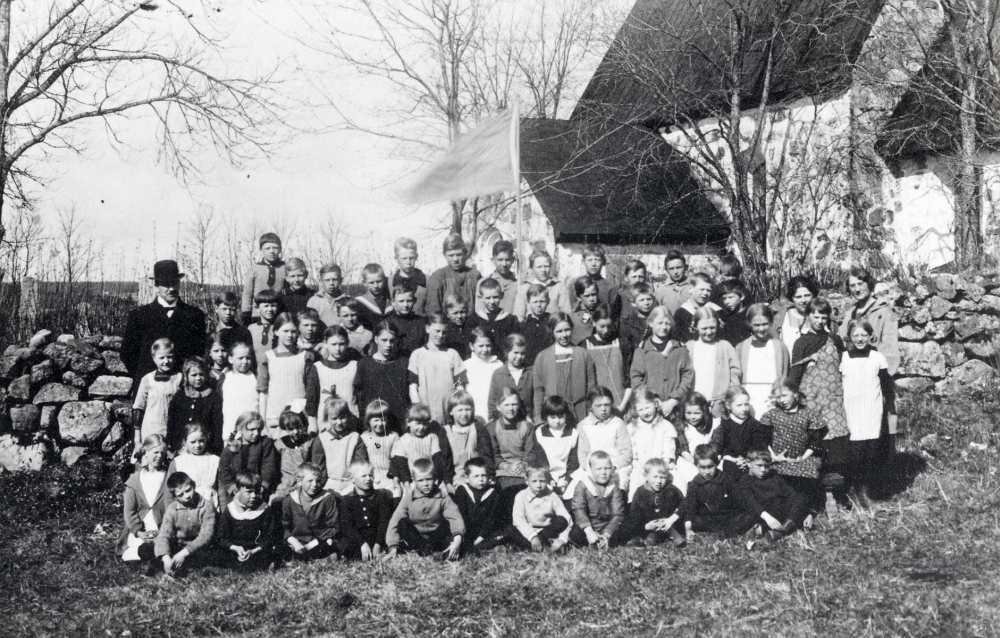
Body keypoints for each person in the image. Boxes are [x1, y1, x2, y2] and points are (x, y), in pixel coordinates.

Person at [789, 298, 851, 510]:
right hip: (812, 401)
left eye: (823, 317)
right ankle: (816, 499)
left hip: (834, 401)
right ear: (808, 316)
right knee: (815, 447)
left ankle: (836, 496)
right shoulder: (802, 343)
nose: (819, 320)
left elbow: (845, 365)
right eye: (815, 316)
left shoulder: (834, 339)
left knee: (836, 450)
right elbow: (795, 373)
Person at [122, 260, 207, 386]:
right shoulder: (139, 315)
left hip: (184, 389)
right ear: (156, 286)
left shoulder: (194, 315)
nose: (171, 289)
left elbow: (199, 353)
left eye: (174, 283)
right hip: (150, 390)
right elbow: (127, 353)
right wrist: (144, 377)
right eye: (166, 284)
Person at [840, 318, 897, 508]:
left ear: (871, 336)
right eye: (855, 335)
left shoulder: (877, 358)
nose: (860, 338)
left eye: (864, 334)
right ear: (849, 337)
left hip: (871, 411)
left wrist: (890, 407)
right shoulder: (844, 358)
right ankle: (852, 490)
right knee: (854, 454)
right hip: (851, 412)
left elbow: (886, 386)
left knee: (870, 452)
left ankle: (866, 491)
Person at [760, 378, 828, 525]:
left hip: (802, 459)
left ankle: (805, 513)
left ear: (796, 394)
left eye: (784, 395)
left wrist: (803, 457)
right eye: (778, 397)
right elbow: (763, 438)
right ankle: (786, 515)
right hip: (777, 460)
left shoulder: (809, 414)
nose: (781, 400)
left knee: (807, 477)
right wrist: (773, 456)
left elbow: (816, 440)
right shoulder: (772, 415)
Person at [384, 458, 465, 560]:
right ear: (414, 480)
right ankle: (425, 549)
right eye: (421, 480)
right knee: (402, 523)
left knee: (447, 523)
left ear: (435, 478)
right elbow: (394, 522)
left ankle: (431, 549)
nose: (425, 484)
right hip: (417, 537)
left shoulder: (443, 496)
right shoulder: (408, 498)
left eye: (429, 479)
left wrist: (457, 540)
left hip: (436, 536)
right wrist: (393, 548)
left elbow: (455, 517)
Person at [630, 306, 694, 421]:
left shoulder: (679, 349)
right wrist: (652, 399)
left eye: (667, 323)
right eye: (659, 323)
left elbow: (688, 376)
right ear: (650, 323)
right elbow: (636, 379)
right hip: (650, 409)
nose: (664, 327)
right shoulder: (642, 350)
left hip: (675, 409)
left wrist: (674, 400)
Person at [733, 449, 810, 545]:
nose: (763, 470)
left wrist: (808, 514)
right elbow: (750, 502)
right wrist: (767, 517)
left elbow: (791, 494)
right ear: (748, 463)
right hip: (762, 513)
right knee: (746, 518)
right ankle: (784, 528)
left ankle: (780, 532)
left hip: (779, 511)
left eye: (766, 466)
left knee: (801, 497)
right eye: (759, 465)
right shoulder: (745, 481)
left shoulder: (773, 476)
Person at [678, 444, 754, 539]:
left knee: (749, 516)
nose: (707, 472)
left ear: (717, 463)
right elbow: (691, 507)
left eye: (710, 467)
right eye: (702, 467)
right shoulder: (694, 484)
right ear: (696, 466)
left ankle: (727, 532)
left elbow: (740, 500)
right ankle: (726, 532)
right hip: (708, 519)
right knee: (688, 521)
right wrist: (688, 527)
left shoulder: (727, 479)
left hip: (728, 517)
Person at [532, 313, 598, 423]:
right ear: (552, 332)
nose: (564, 335)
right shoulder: (542, 357)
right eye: (559, 331)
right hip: (553, 415)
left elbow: (591, 387)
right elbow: (538, 390)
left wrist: (591, 412)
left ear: (572, 329)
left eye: (567, 330)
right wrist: (539, 418)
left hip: (580, 413)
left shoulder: (583, 354)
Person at [257, 313, 316, 431]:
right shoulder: (267, 358)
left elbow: (311, 392)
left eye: (293, 331)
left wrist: (311, 420)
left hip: (300, 419)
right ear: (276, 332)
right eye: (285, 331)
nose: (290, 335)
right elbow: (263, 393)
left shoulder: (306, 357)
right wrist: (262, 424)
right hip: (274, 418)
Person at [839, 266, 900, 376]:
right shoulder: (850, 313)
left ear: (868, 284)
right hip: (853, 372)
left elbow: (890, 348)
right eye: (852, 285)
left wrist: (884, 375)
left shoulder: (884, 311)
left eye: (860, 284)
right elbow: (842, 341)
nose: (857, 289)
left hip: (875, 373)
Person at [281, 462, 349, 560]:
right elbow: (285, 526)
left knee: (333, 544)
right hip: (298, 544)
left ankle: (316, 557)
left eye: (318, 481)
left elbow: (333, 527)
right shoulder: (290, 499)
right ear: (299, 481)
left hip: (319, 541)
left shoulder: (327, 498)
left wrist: (313, 544)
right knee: (282, 549)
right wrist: (294, 542)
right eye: (310, 481)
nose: (315, 485)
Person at [154, 471, 218, 576]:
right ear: (175, 497)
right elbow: (164, 534)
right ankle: (172, 565)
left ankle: (179, 567)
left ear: (193, 485)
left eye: (188, 490)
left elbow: (206, 535)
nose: (187, 496)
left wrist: (184, 553)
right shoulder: (172, 508)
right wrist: (166, 559)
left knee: (213, 554)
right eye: (180, 495)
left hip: (198, 548)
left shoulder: (207, 506)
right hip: (179, 546)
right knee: (144, 549)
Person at [119, 435, 169, 568]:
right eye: (156, 452)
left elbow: (171, 507)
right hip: (140, 529)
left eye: (163, 453)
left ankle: (154, 558)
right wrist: (139, 532)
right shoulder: (135, 480)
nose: (160, 456)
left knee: (162, 545)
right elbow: (129, 511)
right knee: (133, 552)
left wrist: (163, 530)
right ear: (146, 452)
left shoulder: (168, 477)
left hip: (162, 528)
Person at [409, 313, 468, 424]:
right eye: (437, 331)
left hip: (448, 411)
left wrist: (452, 391)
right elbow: (413, 386)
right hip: (425, 410)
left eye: (444, 332)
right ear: (427, 329)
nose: (441, 335)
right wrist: (418, 408)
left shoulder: (452, 354)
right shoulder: (418, 354)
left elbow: (460, 383)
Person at [353, 321, 411, 433]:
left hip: (399, 422)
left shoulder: (404, 363)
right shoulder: (364, 364)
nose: (388, 345)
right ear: (376, 339)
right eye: (384, 340)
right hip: (374, 425)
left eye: (392, 340)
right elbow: (359, 397)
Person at [131, 338, 182, 461]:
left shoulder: (179, 378)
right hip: (151, 429)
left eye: (169, 357)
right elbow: (138, 408)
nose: (166, 361)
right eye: (161, 358)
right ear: (154, 358)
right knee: (150, 462)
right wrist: (137, 440)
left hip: (171, 430)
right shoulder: (147, 379)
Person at [685, 306, 742, 418]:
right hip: (694, 404)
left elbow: (735, 373)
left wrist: (728, 397)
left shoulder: (725, 346)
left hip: (719, 403)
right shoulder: (689, 347)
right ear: (696, 327)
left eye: (712, 327)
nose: (709, 332)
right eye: (704, 328)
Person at [736, 304, 789, 418]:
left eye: (765, 324)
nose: (761, 329)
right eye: (757, 325)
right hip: (749, 395)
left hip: (771, 395)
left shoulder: (779, 347)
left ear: (770, 322)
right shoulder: (741, 347)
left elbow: (785, 373)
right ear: (749, 324)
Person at [625, 387, 680, 500]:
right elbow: (632, 455)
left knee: (679, 485)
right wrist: (643, 471)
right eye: (640, 410)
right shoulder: (631, 428)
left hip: (662, 469)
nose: (645, 412)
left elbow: (668, 453)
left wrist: (660, 470)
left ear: (655, 404)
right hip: (641, 469)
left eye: (647, 407)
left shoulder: (666, 426)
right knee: (634, 489)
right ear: (635, 410)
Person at [217, 471, 278, 571]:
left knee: (271, 552)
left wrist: (254, 551)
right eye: (249, 492)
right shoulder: (230, 509)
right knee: (217, 553)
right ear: (237, 492)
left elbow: (270, 536)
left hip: (256, 550)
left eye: (256, 491)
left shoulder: (264, 510)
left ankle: (262, 565)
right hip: (236, 550)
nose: (254, 495)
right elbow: (221, 536)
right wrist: (235, 547)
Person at [618, 458, 686, 547]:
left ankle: (673, 536)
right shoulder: (641, 492)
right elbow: (634, 514)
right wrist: (647, 525)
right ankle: (651, 538)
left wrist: (671, 519)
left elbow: (684, 504)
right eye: (655, 477)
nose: (658, 481)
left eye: (662, 477)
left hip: (669, 522)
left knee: (673, 526)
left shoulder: (671, 489)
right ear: (646, 476)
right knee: (631, 525)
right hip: (649, 524)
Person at [485, 387, 537, 504]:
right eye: (506, 405)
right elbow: (493, 454)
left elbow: (531, 452)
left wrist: (524, 464)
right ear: (498, 407)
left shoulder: (528, 427)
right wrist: (506, 466)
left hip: (523, 468)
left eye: (514, 404)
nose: (511, 409)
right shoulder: (491, 428)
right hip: (502, 470)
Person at [218, 412, 280, 509]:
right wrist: (234, 490)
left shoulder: (265, 443)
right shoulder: (231, 447)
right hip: (236, 492)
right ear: (241, 429)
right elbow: (224, 472)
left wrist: (263, 487)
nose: (256, 433)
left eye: (259, 429)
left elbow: (269, 466)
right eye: (252, 429)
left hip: (258, 491)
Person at [305, 325, 362, 430]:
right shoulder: (317, 367)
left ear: (347, 343)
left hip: (351, 422)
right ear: (325, 344)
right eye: (333, 344)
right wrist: (313, 426)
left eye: (341, 344)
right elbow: (311, 401)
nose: (337, 348)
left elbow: (360, 396)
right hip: (326, 424)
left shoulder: (355, 365)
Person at [576, 387, 632, 491]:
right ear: (590, 407)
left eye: (607, 405)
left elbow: (626, 453)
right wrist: (594, 470)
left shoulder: (618, 423)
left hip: (616, 468)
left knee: (619, 488)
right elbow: (583, 455)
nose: (603, 409)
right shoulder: (583, 426)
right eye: (598, 405)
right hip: (592, 469)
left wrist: (613, 468)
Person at [311, 394, 368, 495]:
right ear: (327, 418)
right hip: (329, 484)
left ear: (348, 416)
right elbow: (319, 470)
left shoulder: (355, 438)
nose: (339, 422)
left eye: (342, 418)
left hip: (351, 484)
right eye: (334, 418)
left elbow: (360, 465)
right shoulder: (321, 440)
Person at [508, 466, 572, 552]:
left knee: (562, 520)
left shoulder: (552, 495)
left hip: (547, 532)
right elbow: (518, 520)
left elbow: (567, 518)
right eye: (534, 481)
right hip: (528, 532)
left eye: (542, 481)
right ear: (527, 481)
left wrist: (562, 539)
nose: (538, 485)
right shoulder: (521, 496)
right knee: (509, 530)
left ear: (547, 481)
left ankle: (534, 545)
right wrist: (533, 536)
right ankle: (540, 545)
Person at [711, 386, 772, 478]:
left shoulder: (755, 425)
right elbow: (718, 449)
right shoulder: (723, 425)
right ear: (728, 406)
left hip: (751, 463)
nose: (744, 409)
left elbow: (759, 448)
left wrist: (747, 461)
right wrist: (733, 459)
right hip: (730, 463)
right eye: (739, 405)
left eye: (746, 404)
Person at [340, 460, 395, 561]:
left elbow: (384, 522)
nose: (368, 479)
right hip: (358, 540)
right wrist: (362, 544)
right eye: (363, 476)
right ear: (352, 479)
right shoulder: (347, 500)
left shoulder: (381, 496)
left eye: (370, 475)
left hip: (377, 537)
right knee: (346, 546)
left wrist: (378, 544)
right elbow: (347, 526)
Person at [569, 451, 625, 548]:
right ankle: (592, 540)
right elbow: (578, 509)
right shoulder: (583, 485)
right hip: (589, 524)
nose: (603, 472)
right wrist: (589, 531)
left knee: (623, 530)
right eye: (598, 469)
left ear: (612, 468)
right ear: (591, 470)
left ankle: (604, 540)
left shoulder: (613, 487)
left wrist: (607, 533)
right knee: (575, 535)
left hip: (607, 525)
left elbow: (618, 513)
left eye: (607, 468)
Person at [166, 357, 224, 453]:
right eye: (194, 375)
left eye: (201, 374)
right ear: (186, 376)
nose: (198, 378)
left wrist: (216, 447)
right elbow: (172, 421)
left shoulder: (213, 397)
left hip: (205, 447)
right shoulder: (180, 396)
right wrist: (171, 444)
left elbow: (217, 423)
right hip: (182, 446)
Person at [452, 457, 506, 554]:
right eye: (476, 476)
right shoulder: (462, 490)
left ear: (489, 477)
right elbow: (461, 516)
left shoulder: (493, 492)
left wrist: (480, 538)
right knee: (454, 539)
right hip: (467, 530)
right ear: (466, 478)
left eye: (483, 475)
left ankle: (477, 548)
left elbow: (491, 519)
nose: (480, 479)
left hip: (485, 532)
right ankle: (482, 549)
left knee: (500, 534)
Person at [530, 395, 580, 499]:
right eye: (552, 417)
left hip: (568, 476)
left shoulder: (573, 434)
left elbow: (574, 462)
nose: (557, 421)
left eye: (561, 417)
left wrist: (566, 480)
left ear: (566, 415)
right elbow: (541, 460)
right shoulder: (539, 434)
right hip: (546, 475)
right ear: (545, 417)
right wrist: (550, 480)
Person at [585, 303, 631, 412]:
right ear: (594, 323)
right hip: (597, 406)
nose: (606, 330)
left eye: (609, 326)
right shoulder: (585, 345)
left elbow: (629, 377)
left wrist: (622, 406)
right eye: (602, 326)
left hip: (621, 402)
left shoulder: (622, 343)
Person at [390, 404, 447, 485]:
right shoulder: (403, 440)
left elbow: (437, 459)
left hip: (431, 479)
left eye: (425, 424)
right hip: (413, 481)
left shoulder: (431, 438)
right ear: (408, 422)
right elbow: (401, 465)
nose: (421, 427)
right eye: (418, 423)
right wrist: (407, 485)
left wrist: (435, 479)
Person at [425, 233, 481, 316]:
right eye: (451, 255)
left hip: (471, 325)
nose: (455, 259)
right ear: (445, 255)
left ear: (465, 254)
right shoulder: (437, 277)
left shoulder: (475, 275)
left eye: (459, 255)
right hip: (446, 326)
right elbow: (433, 310)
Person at [167, 423, 220, 509]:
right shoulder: (178, 461)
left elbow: (221, 487)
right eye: (193, 442)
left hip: (209, 505)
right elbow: (169, 492)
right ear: (185, 441)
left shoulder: (215, 460)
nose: (197, 445)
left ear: (206, 439)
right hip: (184, 507)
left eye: (201, 441)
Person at [673, 392, 717, 489]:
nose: (692, 417)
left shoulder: (709, 424)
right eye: (688, 413)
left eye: (697, 413)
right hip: (689, 459)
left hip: (708, 458)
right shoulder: (682, 426)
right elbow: (683, 450)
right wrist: (696, 463)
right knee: (692, 477)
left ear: (704, 411)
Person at [443, 389, 488, 486]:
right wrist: (448, 482)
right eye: (459, 410)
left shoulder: (478, 428)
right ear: (451, 412)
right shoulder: (445, 432)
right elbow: (445, 461)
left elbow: (487, 455)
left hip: (477, 477)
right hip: (455, 478)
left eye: (467, 409)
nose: (464, 414)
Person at [241, 232, 286, 325]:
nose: (272, 251)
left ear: (280, 249)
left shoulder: (285, 268)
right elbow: (247, 295)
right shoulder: (254, 269)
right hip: (257, 316)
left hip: (279, 315)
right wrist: (246, 316)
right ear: (261, 250)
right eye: (267, 248)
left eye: (275, 248)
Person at [218, 342, 259, 445]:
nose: (245, 361)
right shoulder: (225, 378)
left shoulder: (255, 377)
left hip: (253, 431)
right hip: (231, 432)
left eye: (248, 358)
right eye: (240, 358)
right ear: (230, 359)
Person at [487, 333, 534, 422]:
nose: (519, 357)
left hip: (528, 422)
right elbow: (492, 403)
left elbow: (536, 399)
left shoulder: (531, 372)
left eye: (522, 353)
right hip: (504, 424)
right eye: (515, 353)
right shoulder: (498, 374)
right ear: (506, 352)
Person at [360, 399, 401, 497]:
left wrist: (396, 482)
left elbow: (396, 462)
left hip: (389, 477)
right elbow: (362, 461)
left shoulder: (393, 437)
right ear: (369, 421)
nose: (380, 424)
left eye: (383, 420)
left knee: (395, 494)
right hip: (370, 477)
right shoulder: (364, 437)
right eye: (376, 420)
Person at [513, 249, 570, 319]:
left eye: (546, 266)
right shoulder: (525, 288)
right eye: (539, 267)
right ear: (532, 268)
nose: (543, 270)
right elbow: (519, 316)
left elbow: (566, 314)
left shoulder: (559, 287)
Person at [570, 245, 622, 321]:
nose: (593, 264)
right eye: (590, 260)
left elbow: (614, 316)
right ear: (583, 262)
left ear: (603, 262)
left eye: (597, 260)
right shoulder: (574, 284)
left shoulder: (611, 288)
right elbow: (573, 309)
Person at [273, 408, 315, 501]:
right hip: (285, 484)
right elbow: (275, 469)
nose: (295, 432)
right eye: (291, 429)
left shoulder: (309, 442)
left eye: (299, 427)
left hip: (303, 483)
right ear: (285, 428)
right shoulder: (279, 444)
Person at [464, 326, 502, 421]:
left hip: (494, 413)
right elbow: (456, 387)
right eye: (480, 346)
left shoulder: (498, 365)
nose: (485, 350)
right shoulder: (465, 366)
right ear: (471, 346)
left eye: (488, 345)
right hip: (473, 413)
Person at [775, 275, 819, 357]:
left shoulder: (821, 316)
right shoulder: (782, 318)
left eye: (807, 295)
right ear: (792, 298)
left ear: (813, 295)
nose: (803, 300)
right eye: (798, 297)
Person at [474, 277, 519, 357]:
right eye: (488, 298)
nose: (492, 302)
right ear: (480, 298)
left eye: (495, 297)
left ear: (501, 296)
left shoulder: (510, 319)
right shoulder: (474, 319)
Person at [619, 282, 656, 374]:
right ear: (633, 303)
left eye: (649, 299)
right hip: (637, 367)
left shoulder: (658, 320)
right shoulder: (628, 324)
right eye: (642, 300)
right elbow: (626, 353)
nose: (646, 303)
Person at [477, 240, 518, 315]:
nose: (504, 264)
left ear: (512, 260)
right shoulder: (483, 283)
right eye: (500, 260)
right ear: (493, 260)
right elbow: (479, 312)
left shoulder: (517, 284)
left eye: (507, 260)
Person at [673, 272, 717, 343]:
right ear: (690, 289)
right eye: (702, 289)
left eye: (708, 290)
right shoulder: (681, 313)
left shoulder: (715, 310)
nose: (705, 293)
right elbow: (678, 338)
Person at [387, 279, 426, 357]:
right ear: (393, 302)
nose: (405, 305)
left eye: (409, 301)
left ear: (414, 301)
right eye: (401, 301)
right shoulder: (387, 322)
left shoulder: (421, 322)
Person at [518, 283, 554, 366]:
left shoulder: (552, 321)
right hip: (530, 366)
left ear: (548, 301)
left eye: (542, 301)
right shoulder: (523, 325)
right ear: (528, 302)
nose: (539, 305)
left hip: (549, 364)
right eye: (535, 302)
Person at [392, 237, 429, 315]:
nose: (408, 262)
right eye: (404, 258)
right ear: (396, 258)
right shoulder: (390, 281)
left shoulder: (427, 280)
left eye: (411, 258)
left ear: (416, 257)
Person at [211, 292, 252, 358]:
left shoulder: (244, 332)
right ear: (216, 309)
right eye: (224, 309)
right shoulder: (212, 335)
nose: (228, 313)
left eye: (232, 309)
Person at [355, 263, 394, 332]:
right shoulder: (359, 303)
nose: (375, 285)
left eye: (379, 281)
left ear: (384, 280)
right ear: (364, 283)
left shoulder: (391, 301)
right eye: (371, 283)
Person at [307, 263, 347, 328]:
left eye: (334, 279)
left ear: (340, 280)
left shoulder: (347, 300)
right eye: (327, 280)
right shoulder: (313, 301)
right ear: (321, 281)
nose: (331, 283)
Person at [247, 290, 280, 366]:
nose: (270, 309)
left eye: (273, 305)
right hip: (256, 371)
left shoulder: (280, 328)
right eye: (266, 306)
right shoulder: (251, 328)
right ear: (257, 308)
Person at [654, 250, 691, 315]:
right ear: (666, 270)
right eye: (671, 268)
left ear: (686, 267)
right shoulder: (660, 290)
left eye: (679, 267)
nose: (675, 272)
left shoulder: (693, 286)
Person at [717, 279, 752, 346]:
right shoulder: (724, 316)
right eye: (724, 298)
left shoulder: (749, 314)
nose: (727, 302)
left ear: (742, 297)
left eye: (730, 297)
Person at [442, 294, 476, 360]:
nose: (459, 316)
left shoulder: (471, 326)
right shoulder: (445, 330)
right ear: (447, 314)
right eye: (455, 313)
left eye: (462, 312)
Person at [569, 275, 600, 346]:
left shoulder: (601, 313)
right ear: (578, 297)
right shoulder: (573, 317)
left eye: (594, 294)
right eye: (587, 296)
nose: (591, 299)